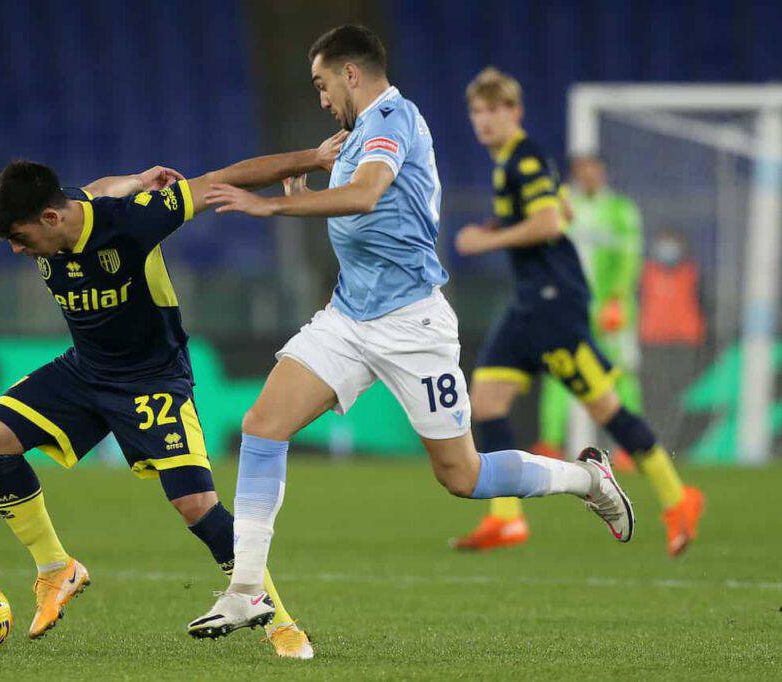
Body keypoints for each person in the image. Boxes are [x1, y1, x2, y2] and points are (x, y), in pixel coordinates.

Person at [188, 26, 634, 639]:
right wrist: (310, 194)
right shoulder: (355, 136)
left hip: (412, 326)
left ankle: (587, 478)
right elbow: (366, 217)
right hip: (348, 318)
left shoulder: (394, 118)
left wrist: (275, 206)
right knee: (263, 426)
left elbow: (368, 195)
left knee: (464, 477)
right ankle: (245, 591)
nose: (320, 98)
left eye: (322, 84)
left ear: (351, 74)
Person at [0, 139, 348, 659]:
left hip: (153, 380)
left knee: (196, 504)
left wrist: (312, 159)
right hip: (85, 370)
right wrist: (134, 175)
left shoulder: (133, 223)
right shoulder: (73, 208)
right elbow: (98, 189)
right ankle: (57, 568)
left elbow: (222, 178)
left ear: (52, 217)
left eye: (19, 236)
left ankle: (280, 623)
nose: (17, 249)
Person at [453, 67, 704, 557]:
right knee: (485, 403)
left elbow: (546, 223)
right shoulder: (515, 163)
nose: (484, 120)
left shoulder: (523, 160)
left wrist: (487, 238)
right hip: (530, 302)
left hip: (554, 306)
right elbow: (556, 209)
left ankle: (679, 497)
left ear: (514, 112)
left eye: (494, 110)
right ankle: (506, 518)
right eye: (477, 111)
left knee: (605, 407)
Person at [534, 156, 644, 469]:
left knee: (620, 375)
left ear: (603, 172)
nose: (590, 176)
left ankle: (633, 447)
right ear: (575, 175)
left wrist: (618, 299)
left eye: (595, 170)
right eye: (584, 171)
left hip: (611, 311)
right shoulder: (562, 207)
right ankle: (551, 443)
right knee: (558, 371)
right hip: (570, 308)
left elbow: (629, 258)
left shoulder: (621, 210)